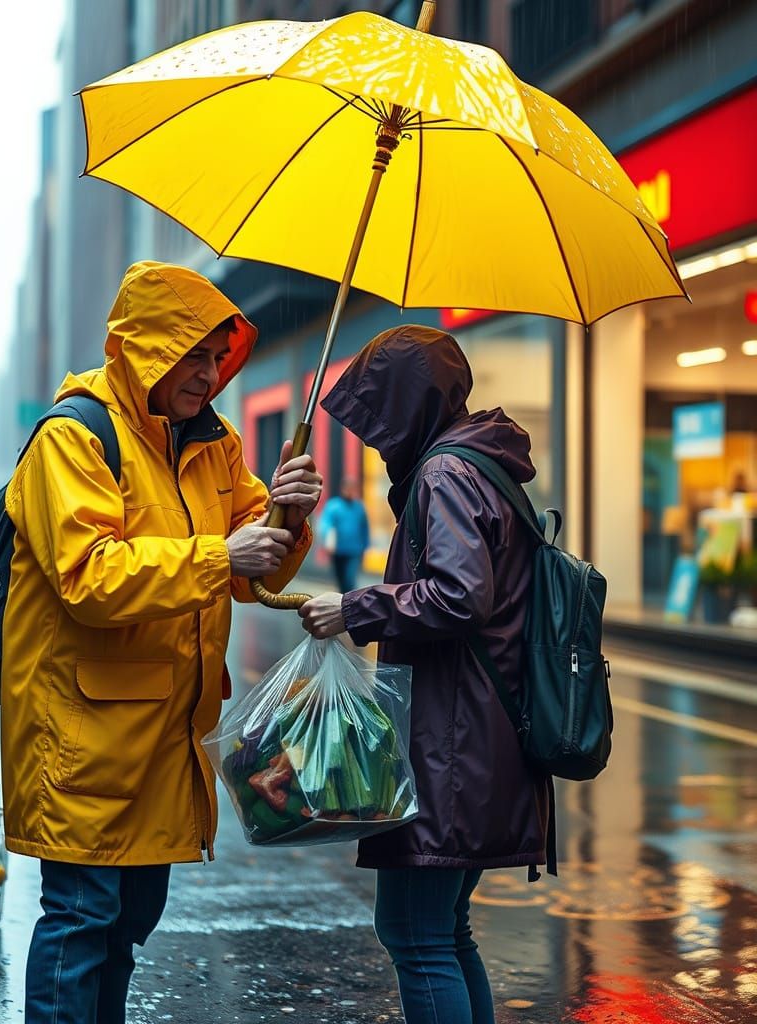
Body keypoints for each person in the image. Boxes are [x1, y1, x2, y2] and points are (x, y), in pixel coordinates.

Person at [2, 261, 322, 1024]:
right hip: (86, 740)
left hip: (166, 739)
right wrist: (221, 554)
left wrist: (288, 513)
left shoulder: (215, 444)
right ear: (146, 349)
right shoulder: (73, 438)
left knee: (124, 932)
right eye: (196, 355)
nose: (211, 374)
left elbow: (256, 573)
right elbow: (89, 576)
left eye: (219, 357)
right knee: (81, 923)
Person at [298, 325, 550, 1024]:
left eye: (379, 416)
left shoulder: (445, 472)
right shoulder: (477, 462)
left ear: (407, 405)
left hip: (452, 742)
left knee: (414, 934)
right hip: (473, 735)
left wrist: (356, 608)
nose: (376, 440)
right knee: (442, 931)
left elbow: (459, 594)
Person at [318, 477, 369, 593]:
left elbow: (364, 527)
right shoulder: (333, 506)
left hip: (354, 551)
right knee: (340, 580)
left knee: (349, 580)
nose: (350, 492)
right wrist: (328, 539)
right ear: (343, 489)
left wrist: (366, 546)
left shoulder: (359, 507)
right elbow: (326, 524)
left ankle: (349, 604)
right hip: (338, 550)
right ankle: (342, 603)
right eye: (348, 489)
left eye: (353, 489)